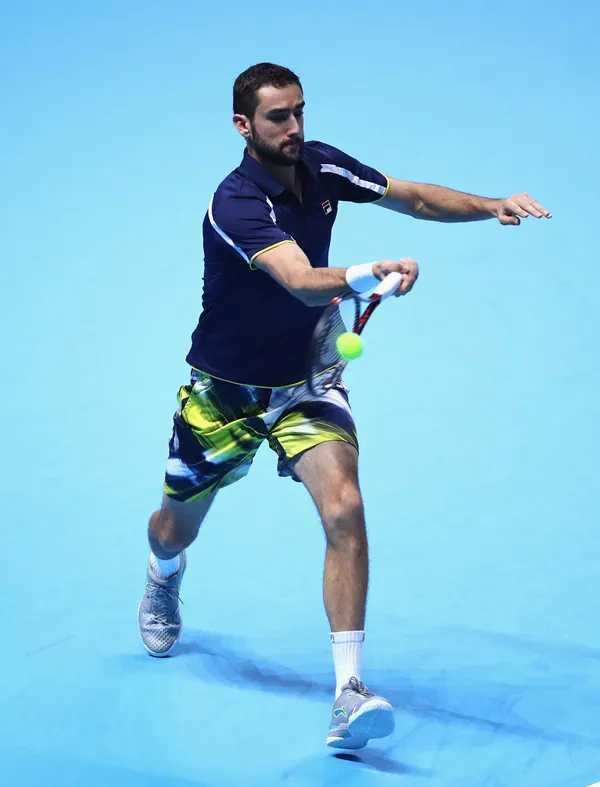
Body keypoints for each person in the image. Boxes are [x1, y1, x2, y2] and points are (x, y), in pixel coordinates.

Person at [137, 62, 551, 750]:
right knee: (171, 530)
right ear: (243, 126)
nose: (294, 127)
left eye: (299, 111)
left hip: (307, 378)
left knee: (345, 506)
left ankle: (348, 692)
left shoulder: (322, 166)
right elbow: (301, 280)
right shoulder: (235, 203)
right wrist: (368, 273)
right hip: (226, 392)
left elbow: (413, 198)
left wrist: (491, 204)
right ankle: (163, 574)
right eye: (278, 117)